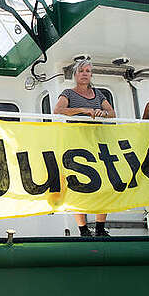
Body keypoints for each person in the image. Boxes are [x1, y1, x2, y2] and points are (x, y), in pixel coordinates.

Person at [53, 59, 115, 237]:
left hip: (98, 142)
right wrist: (83, 110)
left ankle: (101, 228)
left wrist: (102, 113)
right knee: (77, 185)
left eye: (88, 71)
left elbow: (112, 113)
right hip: (77, 144)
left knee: (104, 182)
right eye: (81, 71)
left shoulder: (99, 94)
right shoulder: (68, 93)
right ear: (75, 74)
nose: (85, 74)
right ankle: (83, 229)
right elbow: (58, 110)